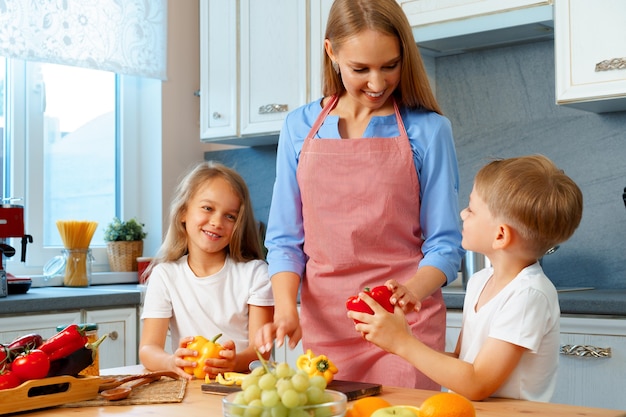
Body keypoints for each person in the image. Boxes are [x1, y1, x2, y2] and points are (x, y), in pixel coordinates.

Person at [255, 0, 464, 390]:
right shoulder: (299, 126)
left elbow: (446, 245)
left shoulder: (430, 130)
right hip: (326, 328)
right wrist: (286, 307)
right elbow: (285, 239)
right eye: (360, 69)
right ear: (331, 52)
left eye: (390, 66)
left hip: (402, 327)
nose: (377, 83)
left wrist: (411, 291)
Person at [350, 155, 583, 401]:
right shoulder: (481, 281)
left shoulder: (528, 295)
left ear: (500, 235)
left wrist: (402, 343)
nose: (463, 213)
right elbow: (465, 363)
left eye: (472, 209)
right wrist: (400, 338)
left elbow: (478, 383)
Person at [139, 161, 274, 380]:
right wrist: (170, 362)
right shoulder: (165, 275)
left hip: (239, 388)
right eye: (208, 208)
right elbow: (148, 350)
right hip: (188, 389)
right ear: (183, 212)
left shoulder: (255, 274)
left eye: (230, 216)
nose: (216, 222)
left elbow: (261, 352)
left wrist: (234, 362)